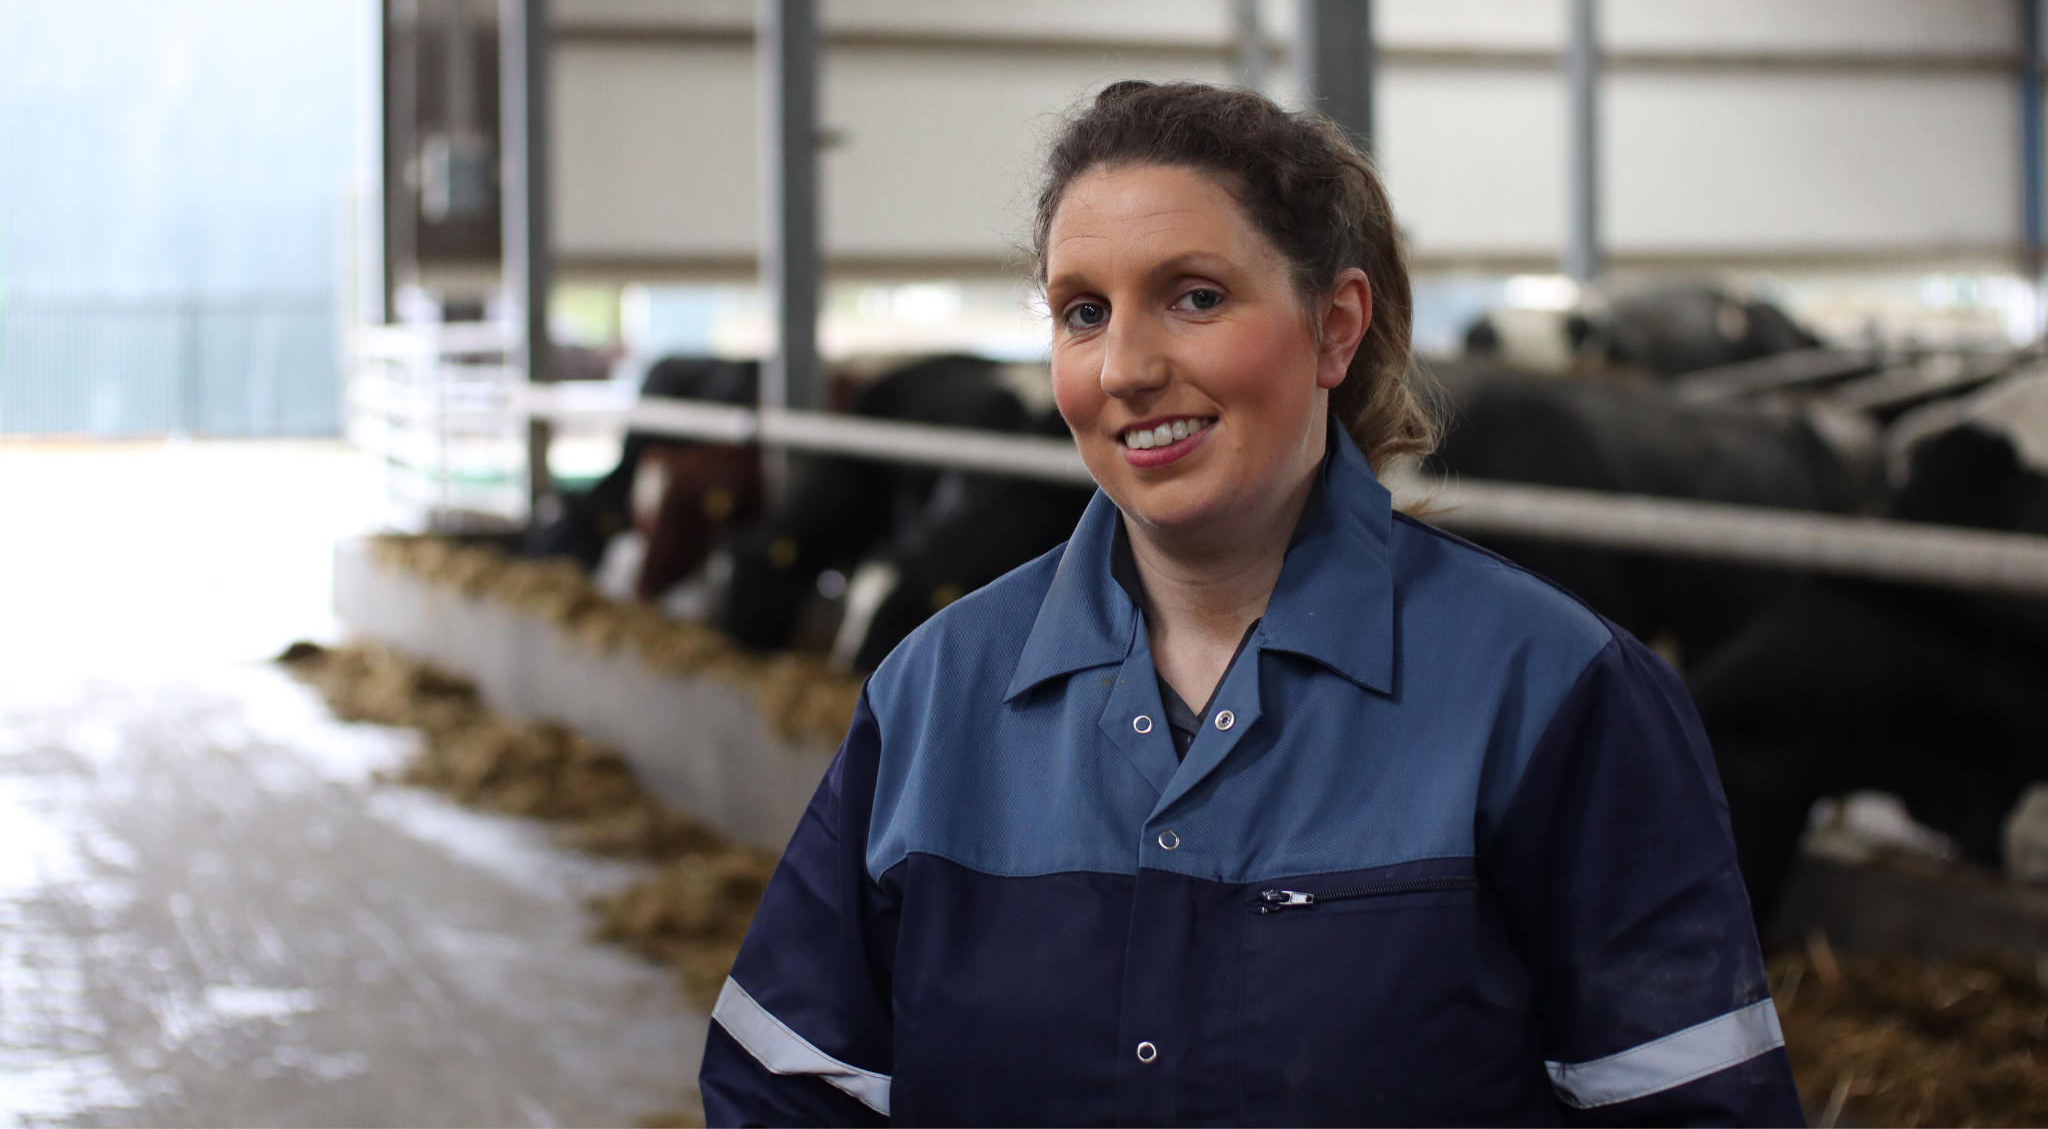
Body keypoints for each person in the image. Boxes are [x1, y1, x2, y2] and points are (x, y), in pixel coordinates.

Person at [700, 82, 1802, 1126]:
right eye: (1082, 312)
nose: (1124, 367)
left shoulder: (1551, 692)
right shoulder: (935, 690)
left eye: (1193, 297)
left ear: (1334, 328)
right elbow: (786, 1085)